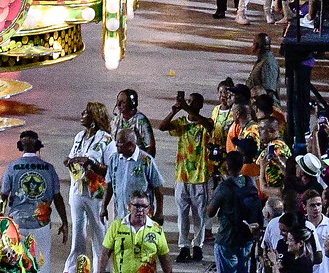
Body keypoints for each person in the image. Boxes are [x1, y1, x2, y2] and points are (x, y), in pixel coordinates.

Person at [1, 129, 69, 272]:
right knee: (42, 263)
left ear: (20, 146)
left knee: (17, 264)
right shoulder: (49, 168)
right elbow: (58, 197)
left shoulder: (12, 167)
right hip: (41, 224)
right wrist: (64, 222)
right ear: (38, 146)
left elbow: (3, 196)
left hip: (17, 223)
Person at [162, 92, 213, 263]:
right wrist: (175, 111)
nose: (189, 104)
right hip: (182, 176)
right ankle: (183, 246)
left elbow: (209, 127)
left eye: (193, 102)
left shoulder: (206, 123)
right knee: (182, 213)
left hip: (200, 176)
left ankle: (197, 245)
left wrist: (186, 108)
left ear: (200, 105)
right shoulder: (182, 123)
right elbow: (163, 126)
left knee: (199, 214)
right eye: (188, 101)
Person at [64, 102, 114, 273]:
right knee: (78, 234)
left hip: (97, 193)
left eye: (86, 112)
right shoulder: (79, 136)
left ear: (94, 117)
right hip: (77, 190)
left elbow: (111, 168)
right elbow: (73, 156)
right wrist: (70, 161)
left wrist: (93, 164)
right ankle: (72, 269)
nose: (82, 114)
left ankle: (101, 270)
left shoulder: (106, 139)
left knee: (99, 234)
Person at [207, 151, 262, 273]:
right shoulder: (251, 182)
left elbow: (210, 212)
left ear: (227, 165)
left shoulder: (224, 187)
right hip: (246, 238)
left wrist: (213, 194)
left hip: (227, 239)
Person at [104, 125, 165, 228]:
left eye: (120, 142)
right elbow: (109, 185)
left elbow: (158, 188)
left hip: (142, 217)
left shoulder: (146, 160)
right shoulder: (114, 159)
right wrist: (104, 206)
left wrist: (159, 212)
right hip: (121, 216)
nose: (116, 145)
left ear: (130, 144)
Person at [102, 192, 175, 273]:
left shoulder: (156, 229)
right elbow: (105, 254)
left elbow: (164, 258)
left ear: (148, 209)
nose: (140, 210)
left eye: (144, 206)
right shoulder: (116, 226)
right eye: (136, 206)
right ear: (129, 206)